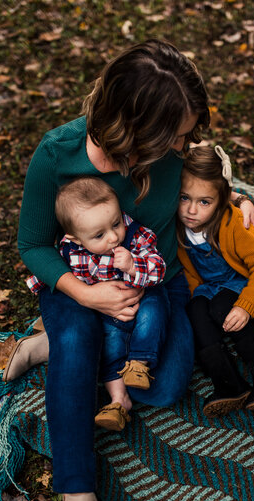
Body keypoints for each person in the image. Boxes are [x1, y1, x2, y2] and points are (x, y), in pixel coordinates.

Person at [6, 39, 254, 501]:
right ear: (133, 125)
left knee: (165, 388)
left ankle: (56, 350)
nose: (183, 144)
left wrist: (233, 199)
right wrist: (87, 296)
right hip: (82, 285)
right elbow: (33, 244)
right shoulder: (59, 154)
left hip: (154, 284)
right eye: (174, 134)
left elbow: (200, 179)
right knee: (77, 346)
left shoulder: (175, 150)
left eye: (188, 133)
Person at [26, 176, 169, 432]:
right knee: (110, 346)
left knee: (154, 312)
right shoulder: (72, 251)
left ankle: (140, 363)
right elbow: (55, 271)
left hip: (141, 299)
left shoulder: (135, 237)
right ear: (77, 238)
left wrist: (133, 265)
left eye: (116, 223)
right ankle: (118, 401)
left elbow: (159, 270)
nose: (113, 237)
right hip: (109, 314)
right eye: (100, 234)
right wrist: (37, 283)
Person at [177, 145, 254, 417]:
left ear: (221, 199)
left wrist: (246, 305)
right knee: (196, 311)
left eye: (204, 202)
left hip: (253, 287)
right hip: (213, 287)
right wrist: (200, 302)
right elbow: (192, 273)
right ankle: (228, 382)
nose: (192, 210)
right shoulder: (179, 225)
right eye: (185, 198)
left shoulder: (234, 223)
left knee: (222, 308)